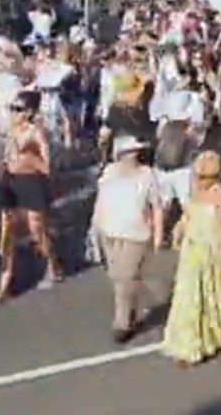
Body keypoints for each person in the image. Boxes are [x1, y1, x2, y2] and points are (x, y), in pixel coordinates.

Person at [161, 151, 221, 367]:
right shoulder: (197, 192)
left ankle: (212, 339)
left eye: (203, 178)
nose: (199, 181)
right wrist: (179, 229)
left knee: (211, 296)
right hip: (192, 251)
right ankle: (188, 343)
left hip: (212, 253)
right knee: (189, 297)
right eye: (198, 177)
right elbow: (188, 214)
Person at [90, 136, 163, 344]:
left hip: (135, 233)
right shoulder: (109, 173)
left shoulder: (147, 175)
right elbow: (100, 200)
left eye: (136, 151)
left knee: (126, 277)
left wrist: (158, 235)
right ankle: (129, 313)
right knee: (118, 278)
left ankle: (121, 323)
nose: (134, 155)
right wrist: (95, 226)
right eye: (129, 151)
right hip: (109, 232)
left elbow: (156, 206)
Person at [0, 90, 62, 305]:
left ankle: (53, 266)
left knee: (36, 229)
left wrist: (30, 160)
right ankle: (4, 285)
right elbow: (5, 159)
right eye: (12, 109)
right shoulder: (11, 132)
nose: (13, 113)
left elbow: (47, 166)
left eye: (18, 109)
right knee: (8, 233)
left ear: (30, 112)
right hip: (11, 183)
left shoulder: (36, 133)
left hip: (32, 183)